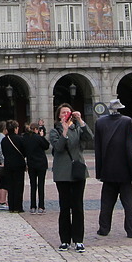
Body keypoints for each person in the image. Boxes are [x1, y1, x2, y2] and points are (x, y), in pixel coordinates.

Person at [94, 99, 132, 238]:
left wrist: (99, 171)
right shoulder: (127, 121)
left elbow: (98, 149)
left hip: (108, 170)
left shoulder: (100, 122)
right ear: (120, 108)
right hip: (125, 170)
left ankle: (103, 228)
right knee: (128, 203)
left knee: (106, 203)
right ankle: (131, 230)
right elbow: (129, 148)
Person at [50, 102, 92, 253]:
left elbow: (90, 137)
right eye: (63, 113)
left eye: (68, 112)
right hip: (62, 174)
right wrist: (65, 131)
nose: (65, 114)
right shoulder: (55, 131)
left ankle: (79, 240)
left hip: (78, 172)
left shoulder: (78, 129)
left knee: (78, 207)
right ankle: (65, 240)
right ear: (59, 115)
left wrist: (81, 121)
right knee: (64, 207)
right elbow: (59, 147)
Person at [23, 122, 50, 214]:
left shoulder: (26, 138)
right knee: (41, 185)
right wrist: (42, 136)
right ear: (36, 129)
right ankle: (41, 207)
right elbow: (46, 146)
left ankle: (32, 206)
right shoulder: (38, 138)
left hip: (31, 163)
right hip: (41, 163)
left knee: (33, 185)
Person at [1, 119, 26, 213]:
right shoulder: (20, 139)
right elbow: (24, 151)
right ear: (15, 128)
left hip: (8, 165)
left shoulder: (4, 140)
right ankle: (18, 206)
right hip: (19, 165)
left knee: (10, 186)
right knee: (19, 186)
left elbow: (4, 152)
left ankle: (11, 206)